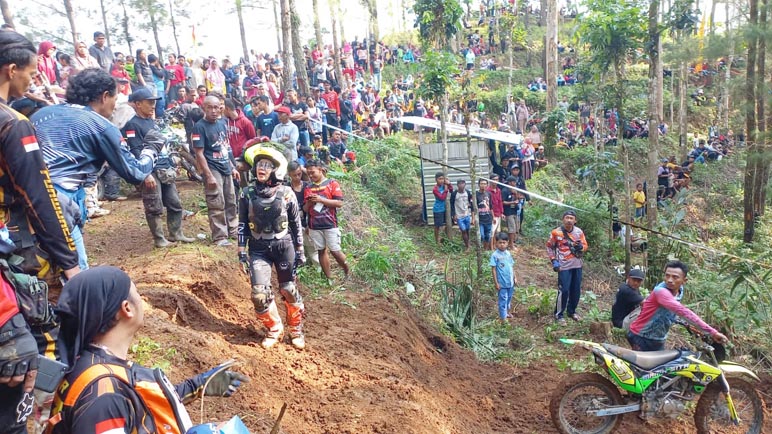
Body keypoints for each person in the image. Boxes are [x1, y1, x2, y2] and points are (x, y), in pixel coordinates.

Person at [48, 267, 248, 434]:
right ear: (127, 308)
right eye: (137, 293)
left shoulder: (90, 363)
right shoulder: (104, 397)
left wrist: (198, 385)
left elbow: (139, 403)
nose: (141, 299)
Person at [0, 31, 82, 434]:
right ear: (11, 70)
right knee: (43, 347)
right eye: (30, 73)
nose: (33, 80)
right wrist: (69, 263)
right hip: (12, 253)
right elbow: (40, 197)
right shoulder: (13, 125)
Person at [32, 68, 161, 271]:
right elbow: (134, 172)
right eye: (115, 98)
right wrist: (151, 150)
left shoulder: (40, 115)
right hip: (60, 200)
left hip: (25, 198)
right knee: (75, 270)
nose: (115, 105)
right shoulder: (101, 125)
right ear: (104, 96)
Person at [238, 146, 305, 349]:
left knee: (289, 290)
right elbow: (241, 223)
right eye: (259, 164)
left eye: (267, 165)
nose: (262, 168)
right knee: (259, 294)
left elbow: (296, 223)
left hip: (284, 246)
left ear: (276, 171)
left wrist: (300, 249)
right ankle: (275, 328)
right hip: (258, 248)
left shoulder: (286, 193)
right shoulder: (247, 194)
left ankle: (296, 330)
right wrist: (241, 251)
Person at [122, 88, 196, 247]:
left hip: (163, 167)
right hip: (151, 170)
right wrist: (145, 174)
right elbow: (135, 151)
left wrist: (171, 162)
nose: (153, 105)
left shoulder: (151, 122)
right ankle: (159, 239)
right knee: (153, 205)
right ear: (138, 104)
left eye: (154, 102)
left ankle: (176, 233)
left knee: (174, 202)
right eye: (149, 102)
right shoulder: (132, 125)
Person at [627, 261, 728, 351]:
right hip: (640, 336)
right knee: (642, 370)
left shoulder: (679, 291)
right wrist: (712, 332)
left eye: (675, 277)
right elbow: (683, 311)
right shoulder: (661, 292)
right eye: (667, 276)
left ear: (684, 281)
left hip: (658, 338)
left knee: (658, 370)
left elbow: (671, 312)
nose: (670, 280)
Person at [192, 95, 240, 246]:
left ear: (221, 108)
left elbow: (226, 146)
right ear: (204, 109)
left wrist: (233, 167)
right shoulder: (199, 127)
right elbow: (199, 153)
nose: (213, 111)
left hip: (225, 166)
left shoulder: (222, 123)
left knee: (231, 200)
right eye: (209, 108)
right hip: (212, 168)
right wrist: (208, 175)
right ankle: (219, 236)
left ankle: (233, 230)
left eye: (216, 107)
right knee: (216, 201)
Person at [303, 159, 349, 280]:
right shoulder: (308, 187)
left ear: (321, 170)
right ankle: (329, 278)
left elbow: (339, 203)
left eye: (312, 172)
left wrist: (321, 200)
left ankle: (348, 272)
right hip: (314, 225)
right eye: (308, 173)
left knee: (335, 251)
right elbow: (306, 209)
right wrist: (309, 203)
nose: (311, 175)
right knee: (321, 251)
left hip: (330, 224)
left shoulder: (332, 184)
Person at [546, 210, 588, 325]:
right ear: (563, 219)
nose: (569, 220)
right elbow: (549, 247)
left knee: (576, 290)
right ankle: (559, 314)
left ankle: (572, 311)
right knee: (564, 290)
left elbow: (585, 245)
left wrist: (581, 247)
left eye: (571, 218)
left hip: (577, 265)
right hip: (563, 266)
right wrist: (554, 261)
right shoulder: (556, 233)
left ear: (575, 221)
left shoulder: (579, 232)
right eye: (567, 218)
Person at [490, 233, 517, 321]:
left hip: (510, 282)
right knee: (503, 300)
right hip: (502, 283)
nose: (502, 245)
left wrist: (515, 277)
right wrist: (496, 283)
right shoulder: (495, 255)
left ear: (508, 243)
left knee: (509, 298)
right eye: (500, 242)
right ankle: (503, 318)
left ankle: (507, 312)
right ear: (496, 243)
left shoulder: (508, 254)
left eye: (504, 242)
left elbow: (511, 266)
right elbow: (493, 269)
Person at [451, 179, 474, 251]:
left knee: (467, 230)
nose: (461, 185)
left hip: (466, 214)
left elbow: (471, 201)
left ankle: (467, 243)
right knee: (463, 230)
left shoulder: (467, 192)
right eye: (459, 184)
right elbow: (451, 204)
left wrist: (472, 212)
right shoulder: (454, 194)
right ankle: (467, 246)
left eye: (462, 183)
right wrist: (453, 214)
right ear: (457, 185)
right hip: (459, 215)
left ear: (465, 184)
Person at [431, 172, 452, 244]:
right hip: (438, 209)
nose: (441, 180)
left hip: (445, 208)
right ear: (436, 180)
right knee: (437, 226)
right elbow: (442, 198)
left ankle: (444, 239)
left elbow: (451, 190)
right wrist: (446, 189)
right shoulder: (435, 189)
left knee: (447, 224)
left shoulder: (444, 185)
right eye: (440, 179)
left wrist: (449, 184)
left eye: (443, 179)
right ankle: (437, 241)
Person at [476, 179, 493, 250]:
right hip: (480, 219)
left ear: (487, 185)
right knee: (481, 235)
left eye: (485, 184)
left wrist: (493, 217)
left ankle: (485, 249)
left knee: (488, 236)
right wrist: (474, 218)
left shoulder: (489, 194)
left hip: (488, 218)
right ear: (479, 185)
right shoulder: (475, 194)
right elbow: (473, 208)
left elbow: (491, 207)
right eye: (481, 184)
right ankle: (479, 248)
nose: (483, 185)